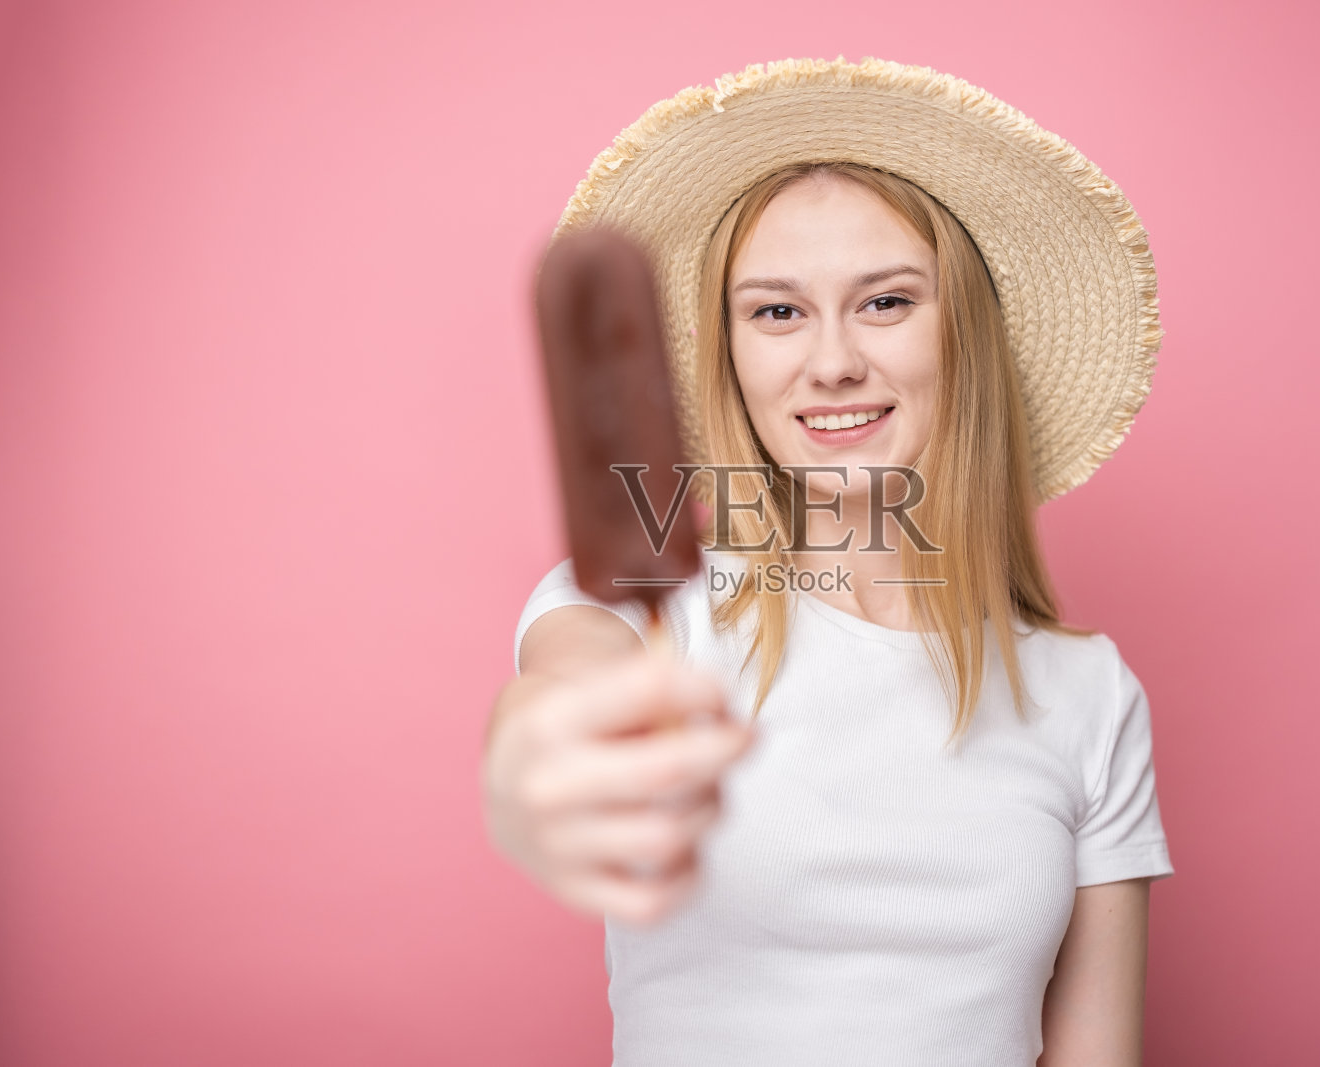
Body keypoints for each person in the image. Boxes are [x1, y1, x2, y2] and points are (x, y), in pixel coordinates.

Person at [482, 57, 1175, 1066]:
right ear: (729, 358)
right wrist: (547, 754)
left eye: (886, 302)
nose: (833, 361)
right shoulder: (647, 607)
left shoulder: (1089, 692)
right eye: (776, 311)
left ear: (962, 334)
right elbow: (561, 689)